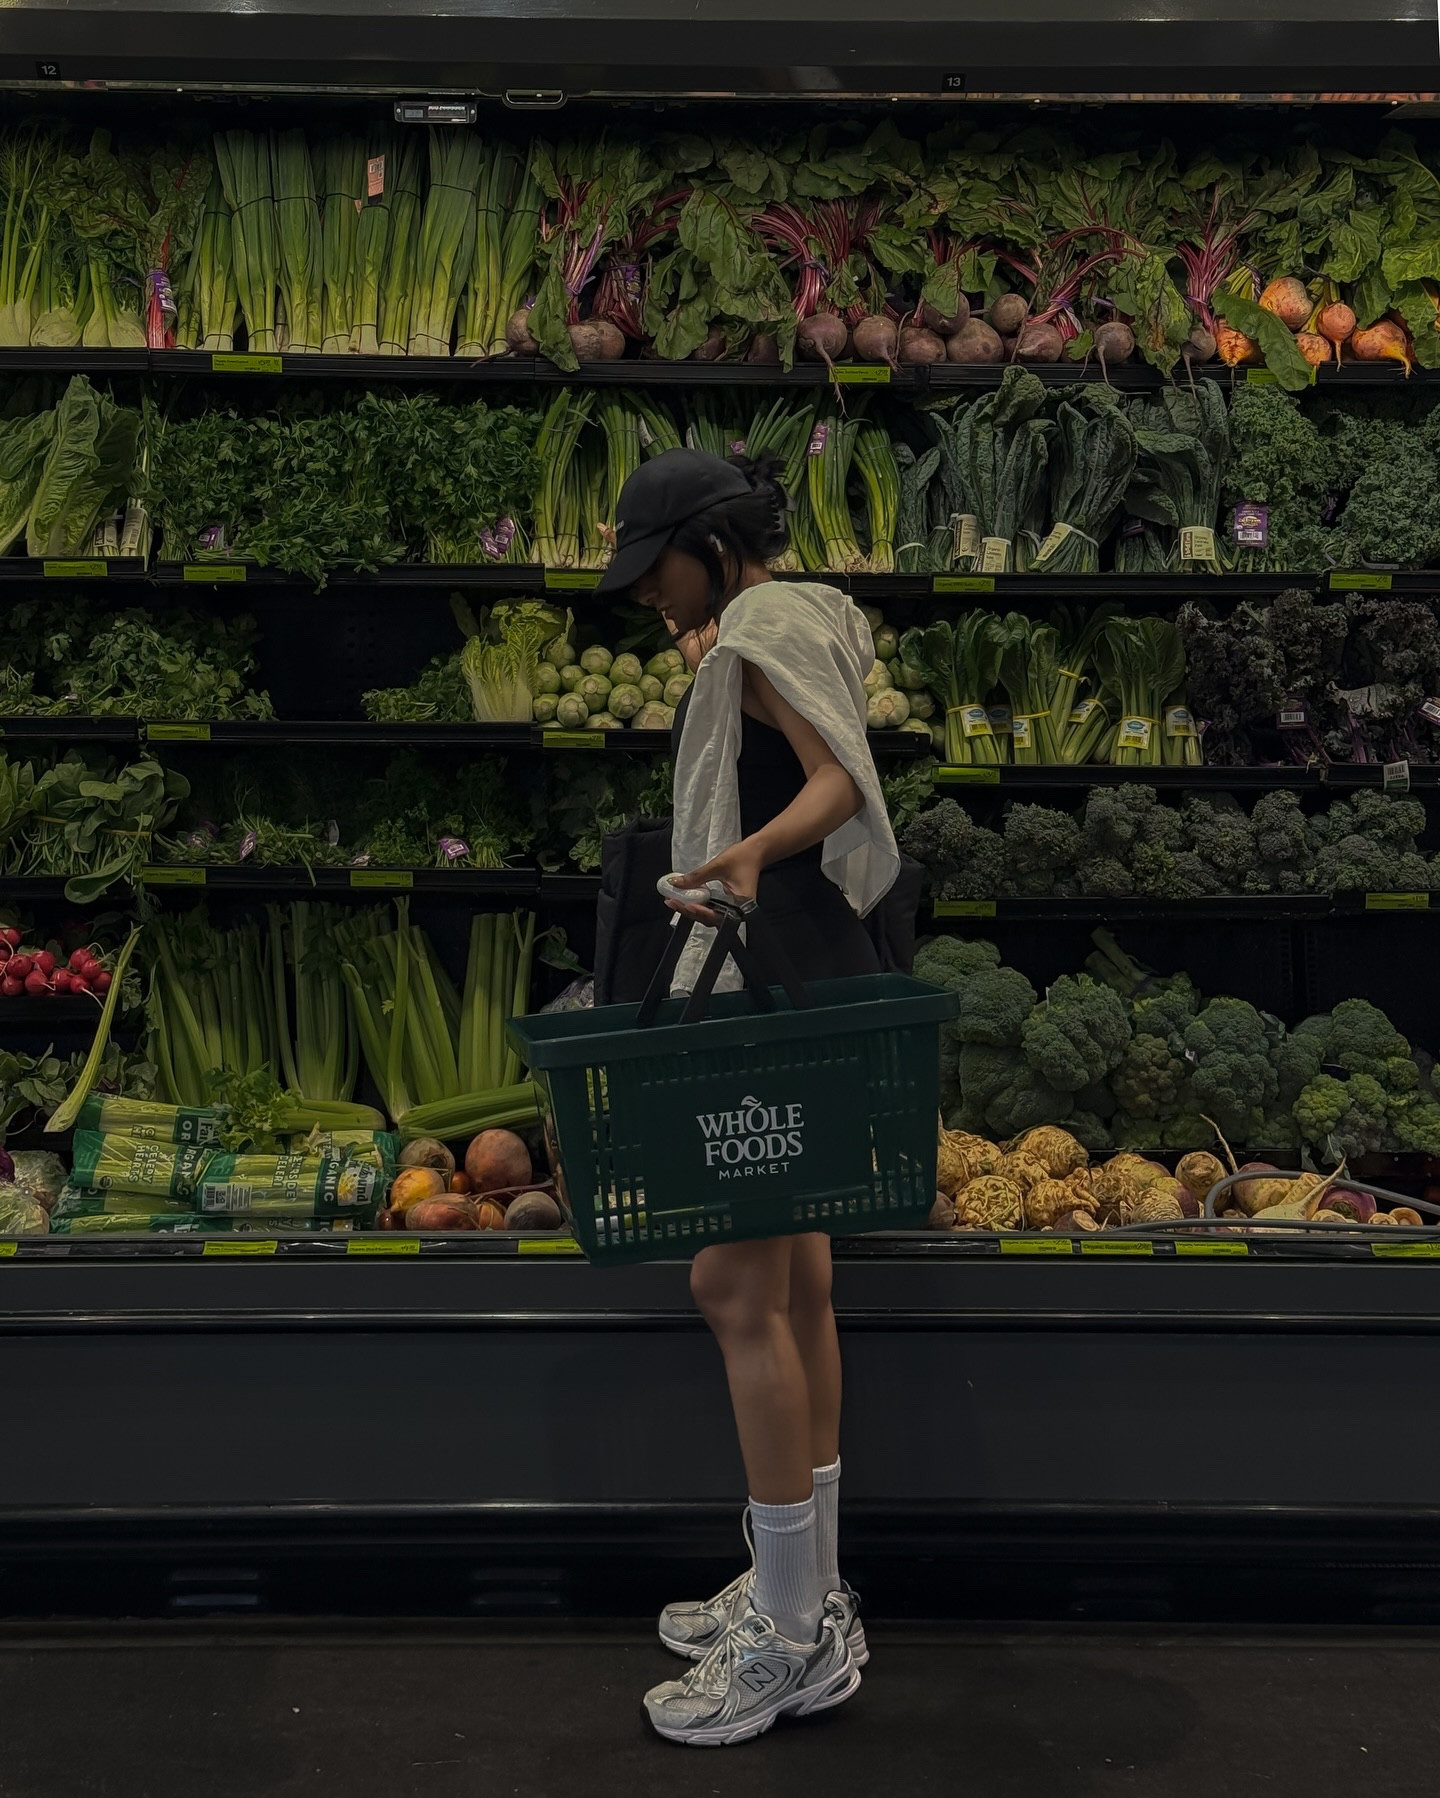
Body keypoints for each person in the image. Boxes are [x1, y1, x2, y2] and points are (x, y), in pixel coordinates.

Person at [593, 447, 900, 1746]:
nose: (646, 593)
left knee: (732, 1284)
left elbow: (835, 781)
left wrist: (750, 850)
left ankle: (785, 1636)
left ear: (710, 546)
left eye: (656, 567)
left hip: (770, 974)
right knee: (798, 1277)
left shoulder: (764, 632)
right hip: (824, 970)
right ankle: (806, 1593)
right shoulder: (801, 608)